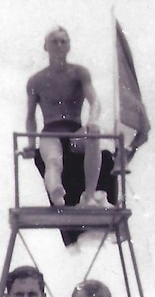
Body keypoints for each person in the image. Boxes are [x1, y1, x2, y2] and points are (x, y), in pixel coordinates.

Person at [23, 26, 104, 208]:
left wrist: (92, 121)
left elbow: (95, 101)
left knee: (95, 133)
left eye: (63, 41)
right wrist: (30, 144)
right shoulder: (37, 80)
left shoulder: (79, 73)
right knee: (53, 161)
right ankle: (56, 194)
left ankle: (89, 196)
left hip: (75, 132)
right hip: (50, 131)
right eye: (54, 41)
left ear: (69, 46)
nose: (59, 45)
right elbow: (30, 116)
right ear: (46, 46)